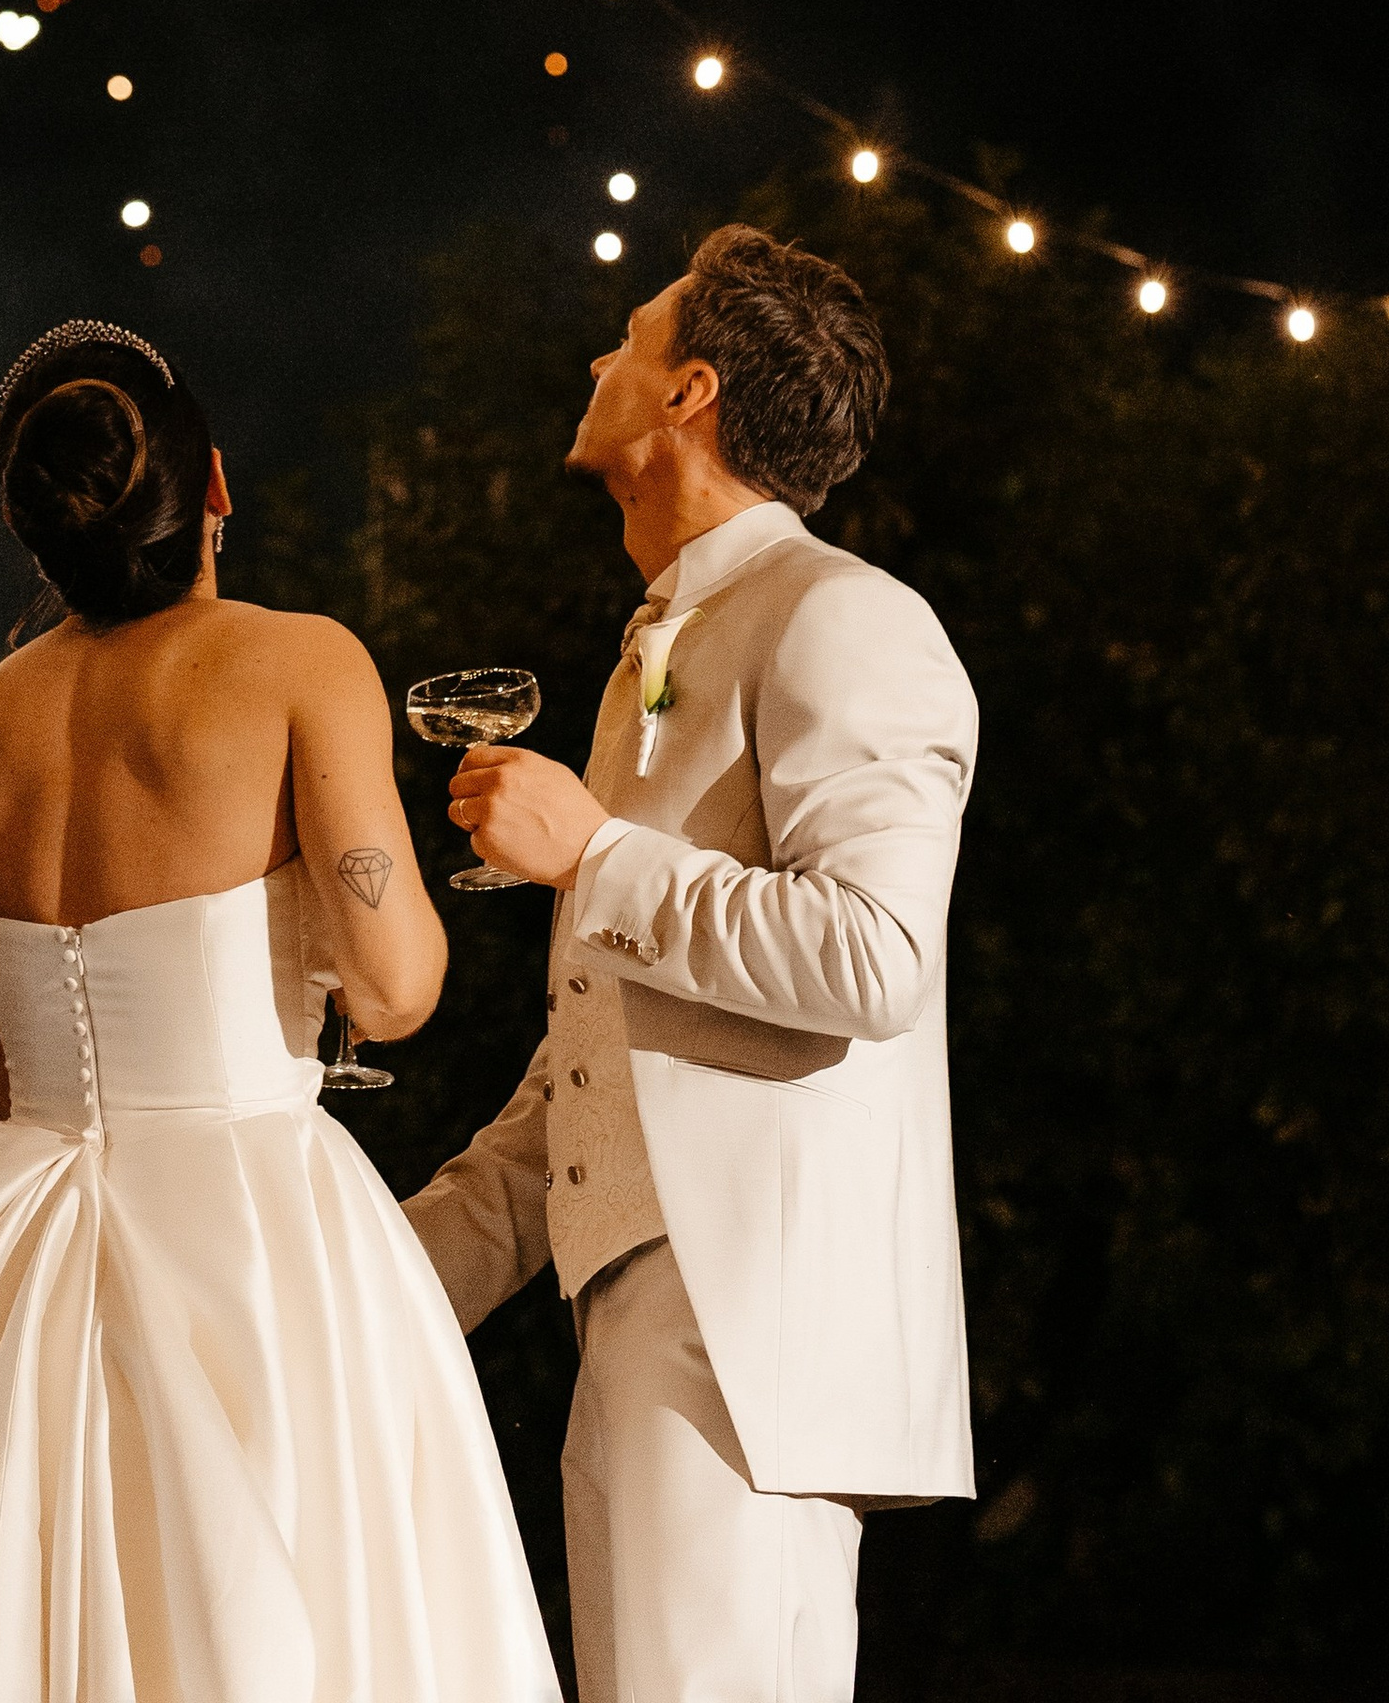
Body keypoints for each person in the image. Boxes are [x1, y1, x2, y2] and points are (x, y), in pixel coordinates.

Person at [0, 317, 560, 1703]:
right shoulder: (297, 662)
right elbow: (393, 993)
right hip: (256, 1232)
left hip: (16, 1222)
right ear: (212, 486)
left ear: (43, 534)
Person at [402, 225, 980, 1703]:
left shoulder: (847, 616)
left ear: (690, 395)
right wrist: (401, 1271)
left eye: (631, 337)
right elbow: (604, 1053)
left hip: (756, 1330)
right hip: (639, 1310)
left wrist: (597, 855)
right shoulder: (660, 646)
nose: (599, 356)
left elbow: (877, 956)